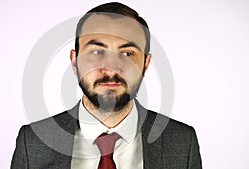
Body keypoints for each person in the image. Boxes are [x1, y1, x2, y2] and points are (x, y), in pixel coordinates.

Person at [11, 2, 202, 169]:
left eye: (127, 53)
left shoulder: (183, 143)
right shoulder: (33, 142)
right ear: (75, 62)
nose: (111, 68)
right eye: (96, 52)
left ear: (145, 64)